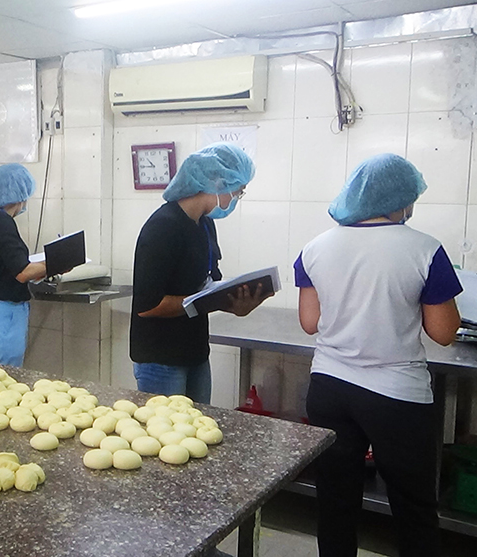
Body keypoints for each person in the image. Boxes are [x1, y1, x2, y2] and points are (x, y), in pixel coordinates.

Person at [294, 154, 462, 557]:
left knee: (335, 500)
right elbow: (443, 333)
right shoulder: (425, 249)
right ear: (400, 198)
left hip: (330, 389)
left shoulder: (315, 247)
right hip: (396, 395)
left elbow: (309, 322)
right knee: (414, 506)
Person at [130, 143, 270, 403]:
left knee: (199, 423)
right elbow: (148, 306)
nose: (235, 199)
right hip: (161, 359)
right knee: (167, 428)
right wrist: (202, 302)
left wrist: (234, 303)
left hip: (195, 353)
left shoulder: (205, 224)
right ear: (217, 183)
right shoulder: (163, 227)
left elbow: (208, 282)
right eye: (237, 192)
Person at [0, 164, 46, 367]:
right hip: (2, 315)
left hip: (0, 313)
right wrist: (56, 262)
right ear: (20, 194)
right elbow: (22, 272)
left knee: (4, 373)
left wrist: (42, 268)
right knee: (3, 375)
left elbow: (11, 265)